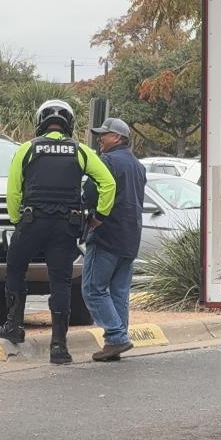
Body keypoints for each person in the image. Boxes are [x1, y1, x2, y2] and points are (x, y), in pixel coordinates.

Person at [0, 100, 116, 364]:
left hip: (32, 222)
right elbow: (108, 183)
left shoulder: (27, 149)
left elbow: (13, 191)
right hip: (65, 227)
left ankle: (13, 326)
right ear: (68, 124)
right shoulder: (80, 150)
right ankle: (59, 346)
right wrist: (99, 216)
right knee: (60, 282)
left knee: (15, 268)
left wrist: (17, 221)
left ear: (40, 122)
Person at [82, 118, 147, 362]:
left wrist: (91, 216)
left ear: (118, 138)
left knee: (93, 289)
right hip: (130, 236)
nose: (100, 138)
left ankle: (116, 336)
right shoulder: (137, 165)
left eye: (104, 134)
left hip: (106, 233)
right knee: (118, 291)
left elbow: (90, 193)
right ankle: (117, 340)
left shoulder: (107, 161)